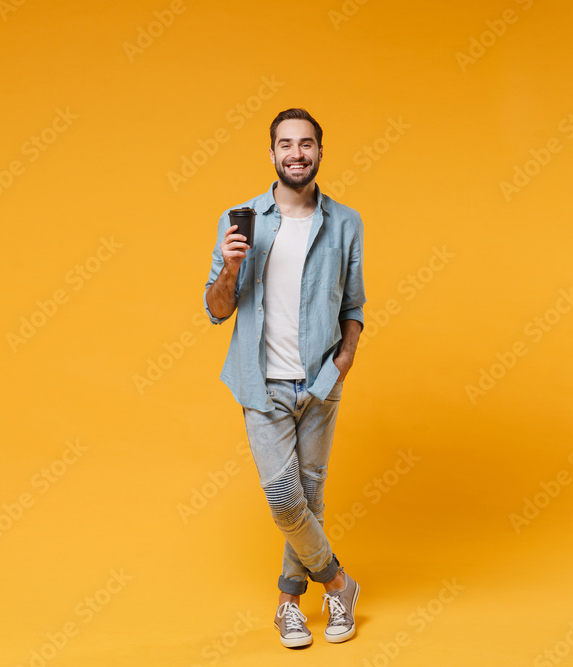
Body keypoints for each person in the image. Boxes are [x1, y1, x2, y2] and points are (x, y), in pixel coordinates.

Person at [203, 108, 366, 648]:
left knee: (310, 498)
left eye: (307, 144)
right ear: (271, 153)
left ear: (320, 151)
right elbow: (216, 309)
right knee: (284, 499)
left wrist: (342, 362)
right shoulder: (242, 217)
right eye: (286, 144)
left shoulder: (345, 222)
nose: (297, 153)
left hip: (320, 383)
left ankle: (288, 606)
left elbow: (354, 304)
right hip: (261, 384)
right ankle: (340, 583)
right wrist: (229, 267)